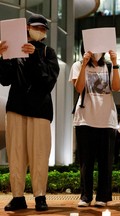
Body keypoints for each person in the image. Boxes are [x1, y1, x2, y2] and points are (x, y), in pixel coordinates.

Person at [0, 14, 59, 211]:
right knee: (16, 155)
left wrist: (34, 57)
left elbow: (47, 82)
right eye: (37, 27)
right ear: (27, 27)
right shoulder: (14, 49)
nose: (40, 31)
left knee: (40, 155)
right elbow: (5, 79)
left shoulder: (48, 53)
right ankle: (17, 196)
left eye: (43, 29)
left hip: (40, 110)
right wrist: (1, 56)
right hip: (16, 108)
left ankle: (40, 196)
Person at [69, 42, 120, 208]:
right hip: (85, 118)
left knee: (106, 161)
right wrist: (84, 64)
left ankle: (103, 196)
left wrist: (115, 63)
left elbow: (116, 87)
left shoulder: (108, 66)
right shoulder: (78, 65)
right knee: (86, 161)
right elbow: (79, 88)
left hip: (106, 119)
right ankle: (85, 196)